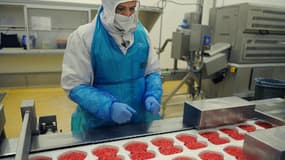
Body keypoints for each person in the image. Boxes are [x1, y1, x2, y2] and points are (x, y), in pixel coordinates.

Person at [61, 0, 163, 134]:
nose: (127, 14)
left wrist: (153, 95)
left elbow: (152, 72)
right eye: (120, 9)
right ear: (108, 7)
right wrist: (107, 107)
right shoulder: (84, 36)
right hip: (99, 125)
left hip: (140, 122)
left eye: (132, 9)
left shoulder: (142, 33)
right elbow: (74, 85)